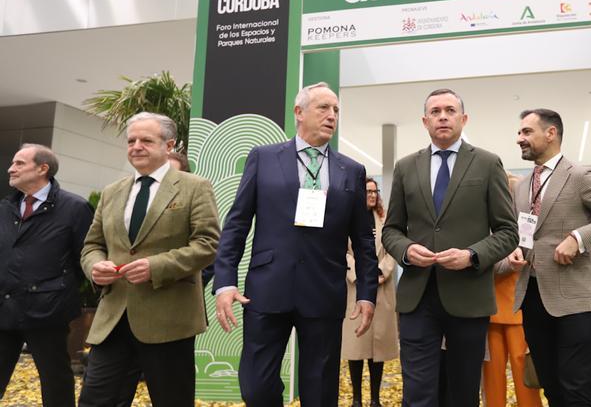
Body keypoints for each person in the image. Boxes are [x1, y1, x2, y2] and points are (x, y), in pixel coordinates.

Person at [213, 82, 379, 407]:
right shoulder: (263, 158)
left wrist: (366, 293)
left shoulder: (352, 171)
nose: (332, 116)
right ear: (299, 112)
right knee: (256, 388)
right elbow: (237, 224)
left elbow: (362, 240)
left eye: (336, 110)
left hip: (324, 291)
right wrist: (224, 282)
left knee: (319, 392)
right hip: (266, 289)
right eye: (323, 108)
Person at [382, 88, 518, 407]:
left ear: (463, 118)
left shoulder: (486, 163)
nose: (443, 116)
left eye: (450, 110)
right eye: (436, 111)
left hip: (468, 294)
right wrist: (405, 250)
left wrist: (472, 255)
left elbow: (508, 231)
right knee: (418, 391)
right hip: (418, 295)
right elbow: (391, 230)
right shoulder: (405, 167)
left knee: (463, 390)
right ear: (425, 120)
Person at [79, 112, 220, 406]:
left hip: (169, 319)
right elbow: (92, 245)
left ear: (169, 146)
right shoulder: (111, 193)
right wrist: (95, 267)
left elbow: (207, 244)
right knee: (95, 400)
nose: (136, 146)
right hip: (114, 317)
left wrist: (156, 266)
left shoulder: (196, 187)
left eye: (146, 140)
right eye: (131, 140)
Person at [504, 110, 591, 407]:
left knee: (576, 389)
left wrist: (578, 239)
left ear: (551, 133)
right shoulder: (523, 186)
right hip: (533, 297)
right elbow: (523, 236)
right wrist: (514, 252)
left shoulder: (578, 175)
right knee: (550, 386)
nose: (519, 139)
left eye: (526, 132)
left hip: (575, 300)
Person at [0, 144, 92, 407]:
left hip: (48, 311)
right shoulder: (5, 207)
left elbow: (85, 258)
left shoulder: (75, 208)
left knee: (56, 382)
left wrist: (58, 291)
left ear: (43, 169)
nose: (11, 168)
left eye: (19, 163)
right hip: (4, 307)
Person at [481, 173, 541, 407]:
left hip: (519, 306)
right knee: (492, 374)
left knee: (523, 371)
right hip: (491, 306)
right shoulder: (483, 220)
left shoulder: (527, 222)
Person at [342, 177, 398, 407]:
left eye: (375, 191)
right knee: (357, 346)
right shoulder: (348, 219)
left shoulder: (385, 220)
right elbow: (343, 252)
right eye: (367, 191)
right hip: (356, 289)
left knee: (379, 348)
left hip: (382, 288)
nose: (372, 195)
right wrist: (359, 276)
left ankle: (375, 399)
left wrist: (381, 273)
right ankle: (356, 399)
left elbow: (392, 249)